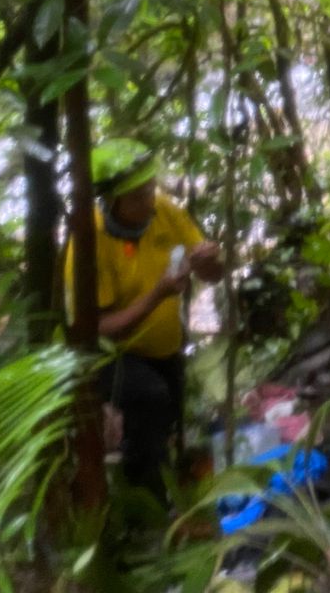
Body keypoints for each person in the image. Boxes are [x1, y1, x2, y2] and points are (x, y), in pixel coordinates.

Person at [67, 138, 223, 506]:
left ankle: (160, 495)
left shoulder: (166, 213)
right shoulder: (88, 241)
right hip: (111, 354)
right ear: (111, 201)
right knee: (149, 401)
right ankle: (146, 509)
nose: (148, 201)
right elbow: (94, 329)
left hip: (163, 347)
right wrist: (157, 295)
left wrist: (210, 260)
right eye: (136, 196)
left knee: (166, 415)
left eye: (150, 189)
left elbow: (215, 274)